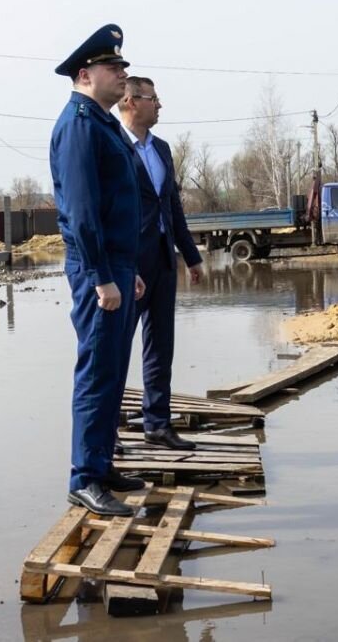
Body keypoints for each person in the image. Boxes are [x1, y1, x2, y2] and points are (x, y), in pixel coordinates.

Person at [49, 24, 148, 517]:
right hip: (97, 271)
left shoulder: (103, 123)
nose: (122, 75)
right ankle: (84, 477)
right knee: (96, 371)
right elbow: (84, 212)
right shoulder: (79, 126)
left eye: (123, 68)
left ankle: (102, 464)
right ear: (85, 74)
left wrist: (124, 270)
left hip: (114, 266)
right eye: (114, 68)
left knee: (112, 372)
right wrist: (102, 276)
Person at [116, 76, 204, 451]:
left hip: (163, 258)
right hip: (127, 263)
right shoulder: (113, 145)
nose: (160, 105)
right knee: (116, 348)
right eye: (154, 98)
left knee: (160, 346)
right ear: (131, 101)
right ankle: (107, 430)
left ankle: (158, 424)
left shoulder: (163, 149)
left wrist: (191, 255)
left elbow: (172, 207)